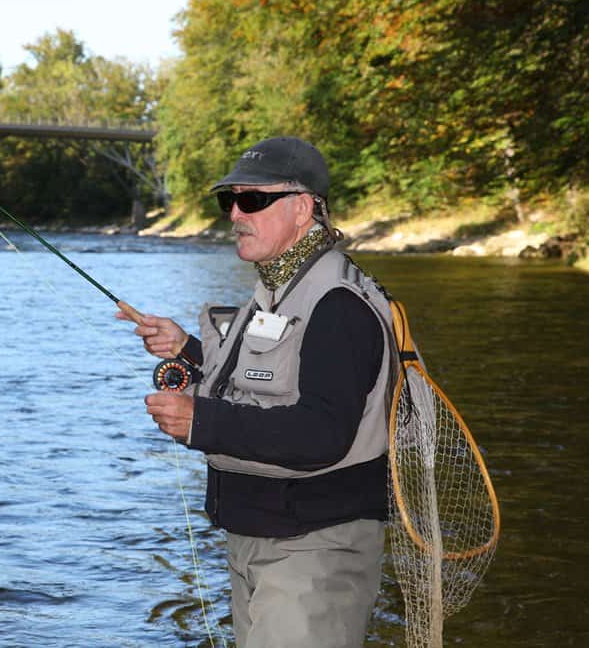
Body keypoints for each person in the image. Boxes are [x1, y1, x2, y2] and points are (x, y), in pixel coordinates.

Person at [118, 137, 396, 648]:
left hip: (315, 548)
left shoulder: (339, 306)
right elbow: (266, 383)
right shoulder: (277, 289)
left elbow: (322, 433)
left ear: (303, 208)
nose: (236, 214)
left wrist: (201, 422)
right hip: (257, 537)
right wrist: (187, 351)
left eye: (254, 200)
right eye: (230, 200)